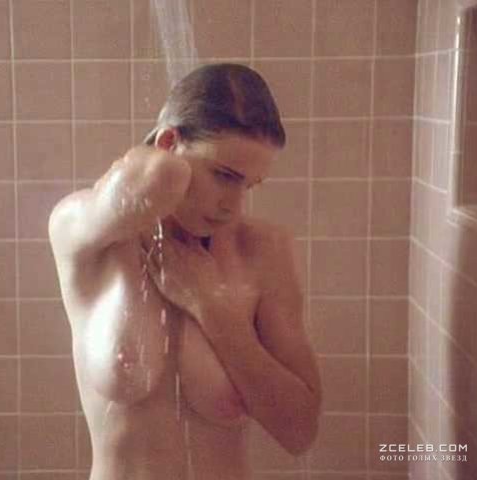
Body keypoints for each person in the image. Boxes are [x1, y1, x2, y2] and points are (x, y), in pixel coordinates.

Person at [49, 63, 322, 480]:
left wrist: (210, 306)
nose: (233, 205)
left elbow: (299, 431)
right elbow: (157, 176)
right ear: (167, 143)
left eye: (249, 185)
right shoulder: (86, 233)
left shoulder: (263, 252)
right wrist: (168, 160)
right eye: (223, 176)